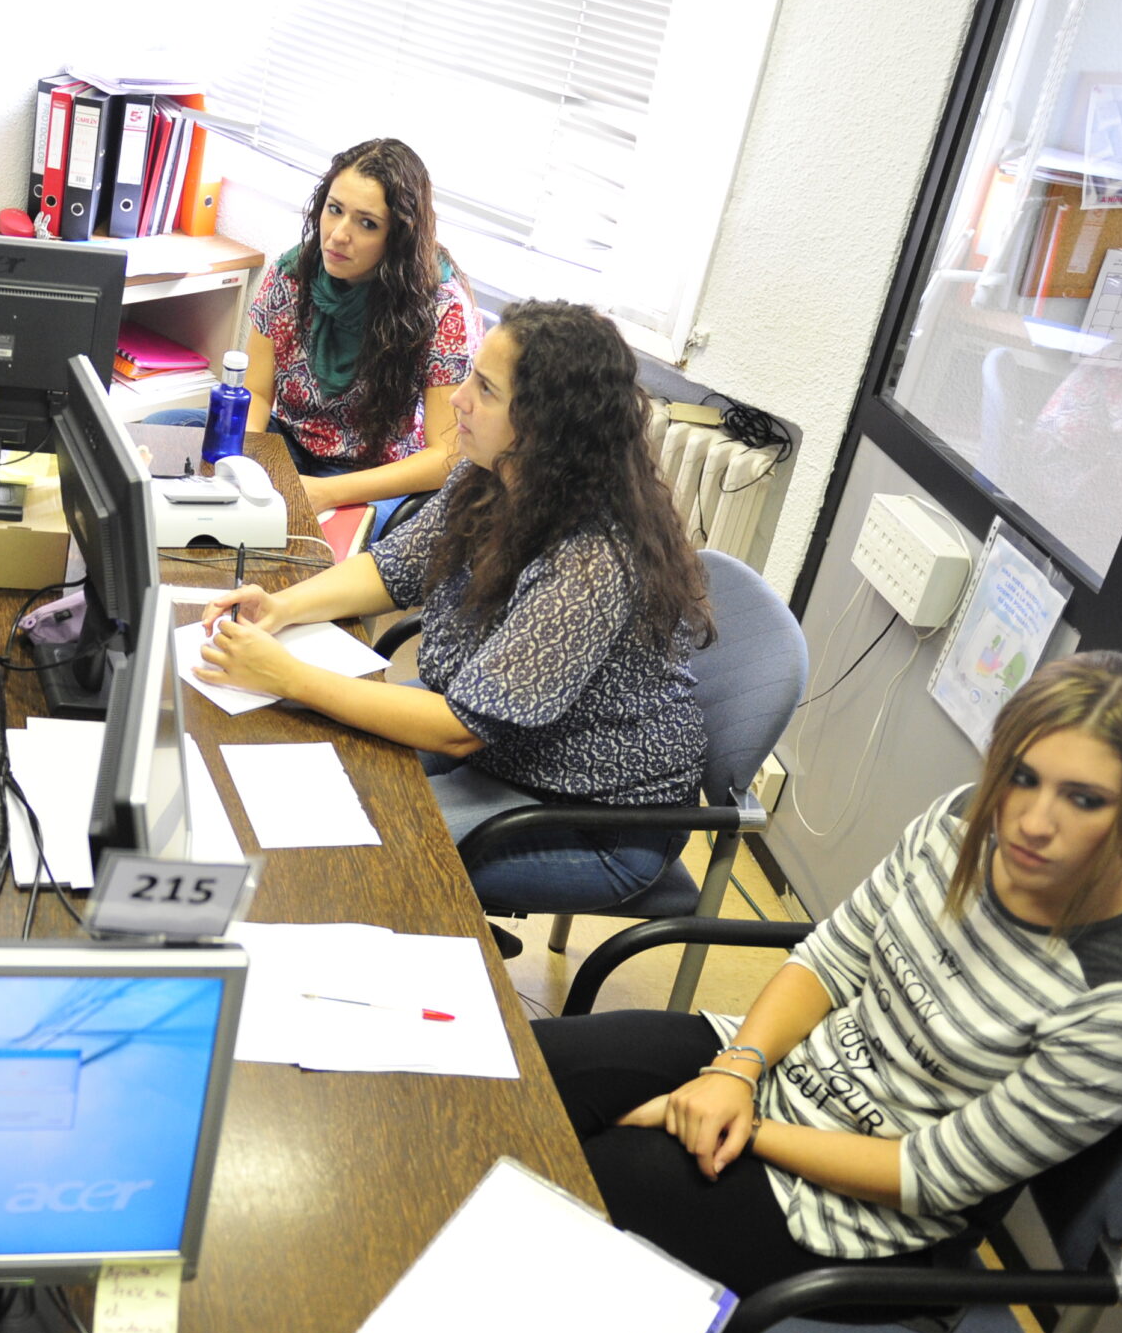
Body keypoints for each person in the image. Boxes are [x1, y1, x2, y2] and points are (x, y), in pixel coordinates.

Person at [529, 652, 1122, 1303]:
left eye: (1084, 799)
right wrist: (737, 1070)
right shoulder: (963, 823)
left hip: (863, 1211)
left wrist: (738, 1124)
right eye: (1021, 776)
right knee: (523, 1064)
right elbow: (830, 958)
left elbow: (929, 1175)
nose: (1034, 821)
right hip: (785, 1075)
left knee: (576, 1178)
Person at [197, 298, 710, 914]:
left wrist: (289, 675)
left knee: (344, 847)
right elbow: (394, 568)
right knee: (304, 771)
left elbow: (460, 729)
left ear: (546, 423)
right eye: (470, 375)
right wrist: (280, 608)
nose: (458, 400)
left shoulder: (593, 560)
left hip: (594, 817)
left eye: (485, 390)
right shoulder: (494, 473)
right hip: (505, 746)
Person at [157, 139, 473, 526]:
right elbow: (256, 393)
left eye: (367, 223)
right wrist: (243, 460)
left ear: (398, 238)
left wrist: (325, 492)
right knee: (161, 433)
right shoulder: (292, 273)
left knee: (302, 538)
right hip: (287, 442)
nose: (338, 235)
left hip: (372, 474)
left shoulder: (440, 306)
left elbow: (447, 454)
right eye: (334, 209)